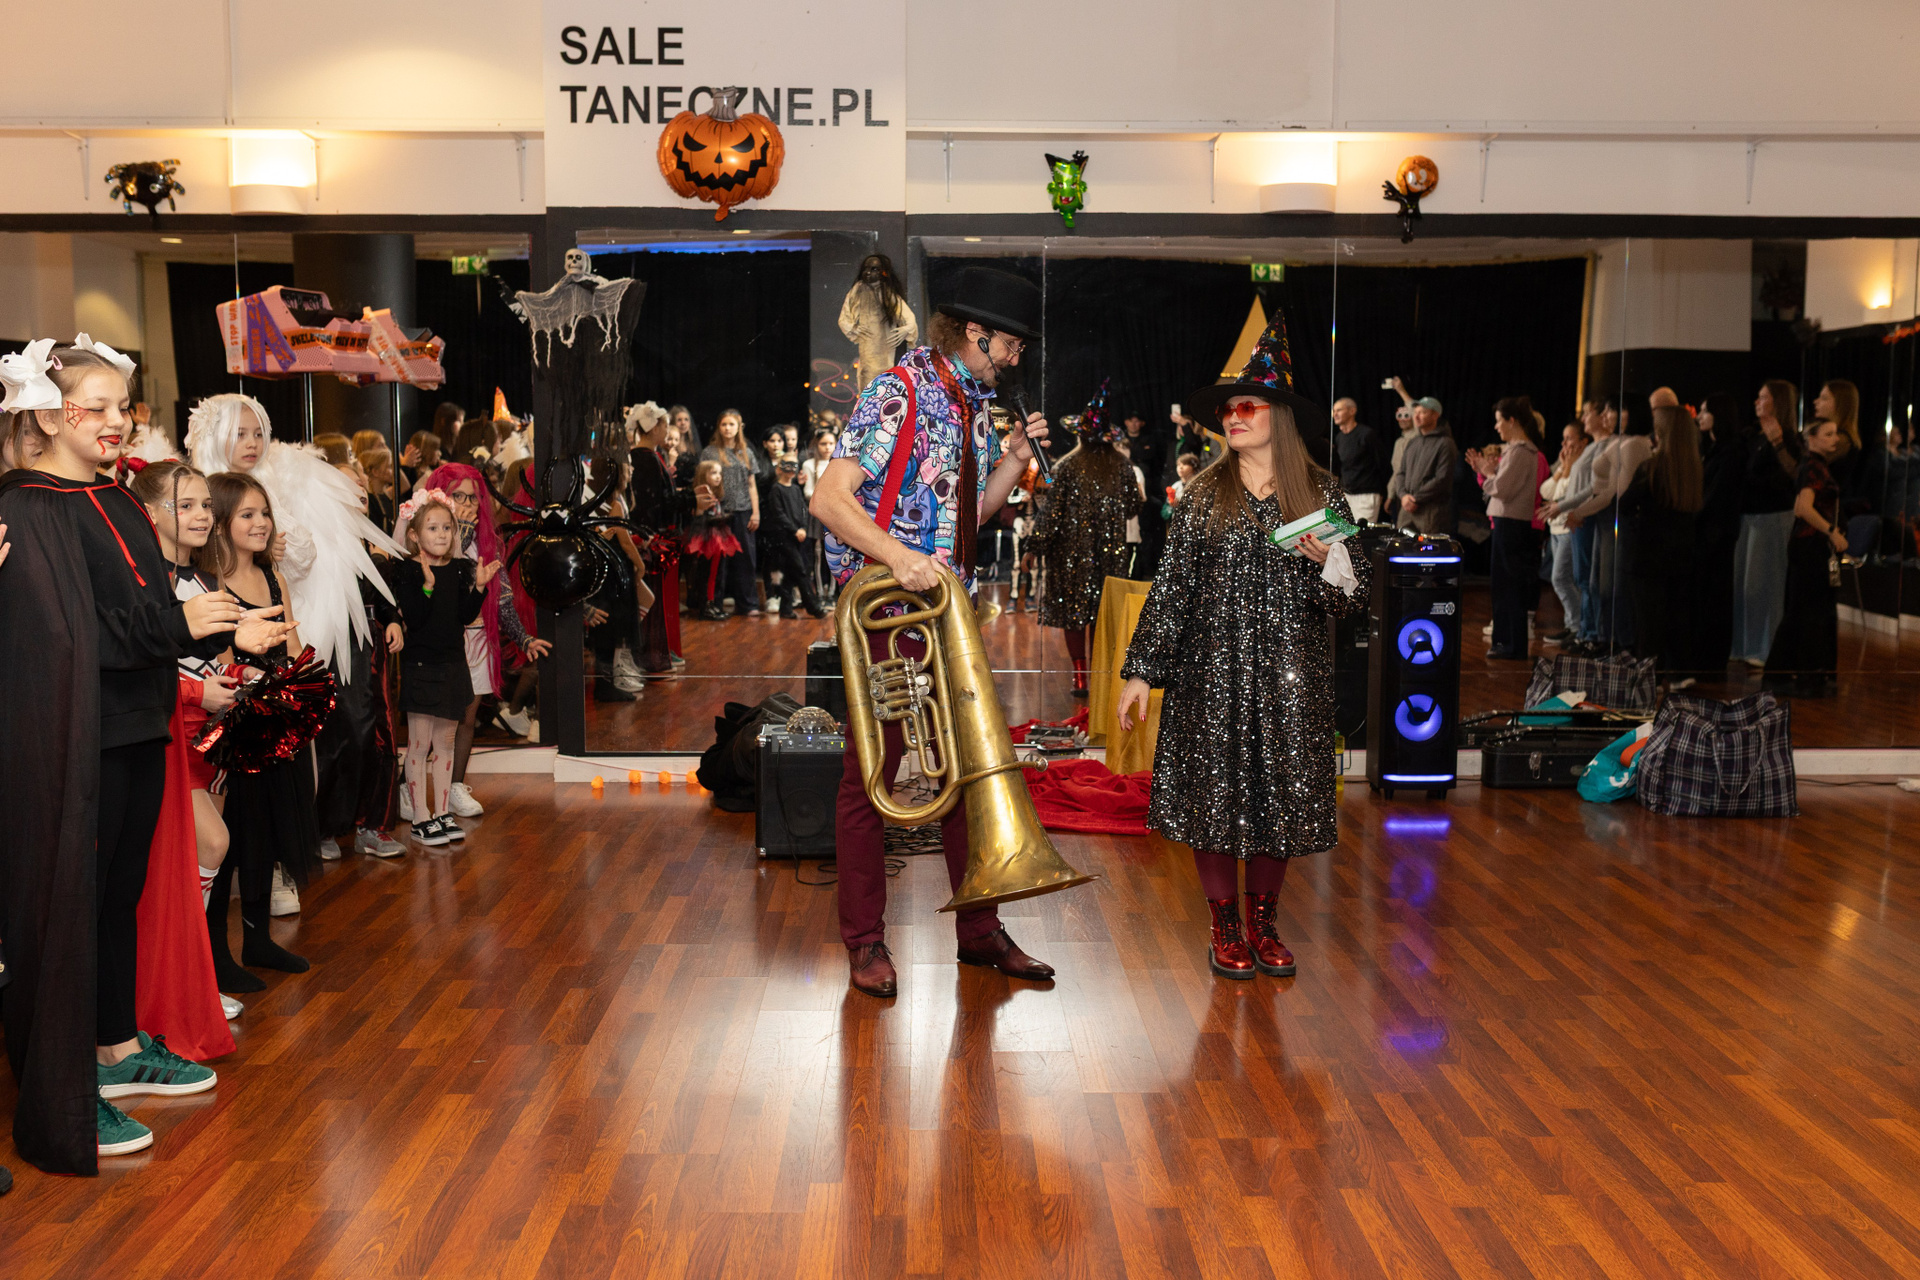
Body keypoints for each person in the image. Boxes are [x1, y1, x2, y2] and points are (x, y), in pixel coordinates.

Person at [0, 339, 290, 1173]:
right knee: (74, 907)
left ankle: (116, 1048)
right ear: (49, 414)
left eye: (121, 406)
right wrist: (181, 626)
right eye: (96, 407)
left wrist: (219, 629)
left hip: (134, 728)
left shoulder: (118, 498)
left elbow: (142, 615)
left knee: (115, 898)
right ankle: (66, 1085)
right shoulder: (32, 507)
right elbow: (67, 638)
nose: (115, 421)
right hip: (76, 739)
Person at [810, 265, 1057, 998]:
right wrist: (898, 556)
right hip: (888, 613)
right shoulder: (899, 392)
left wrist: (1013, 463)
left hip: (946, 611)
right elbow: (829, 500)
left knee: (968, 770)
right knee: (872, 776)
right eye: (1010, 346)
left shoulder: (970, 406)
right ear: (975, 335)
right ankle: (863, 940)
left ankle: (979, 930)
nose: (1014, 360)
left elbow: (963, 521)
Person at [1117, 309, 1364, 980]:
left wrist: (1328, 565)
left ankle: (1265, 923)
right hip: (1211, 675)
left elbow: (1353, 598)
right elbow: (1172, 590)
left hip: (1290, 676)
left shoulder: (1321, 492)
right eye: (1227, 410)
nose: (1232, 417)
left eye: (1246, 407)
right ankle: (1224, 927)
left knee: (1279, 798)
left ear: (1277, 416)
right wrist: (1140, 673)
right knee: (1214, 800)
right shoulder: (1202, 494)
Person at [128, 460, 248, 1031]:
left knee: (197, 863)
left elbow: (218, 660)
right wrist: (201, 691)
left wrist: (245, 675)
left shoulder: (204, 581)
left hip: (208, 737)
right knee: (208, 847)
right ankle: (175, 988)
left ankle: (190, 982)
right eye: (187, 505)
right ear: (150, 513)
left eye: (206, 505)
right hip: (167, 736)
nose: (202, 515)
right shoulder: (143, 581)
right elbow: (139, 666)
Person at [197, 471, 321, 980]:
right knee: (230, 838)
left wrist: (301, 693)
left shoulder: (274, 578)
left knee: (265, 836)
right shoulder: (211, 586)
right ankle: (216, 955)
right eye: (247, 514)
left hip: (274, 721)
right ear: (222, 522)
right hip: (234, 723)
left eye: (264, 513)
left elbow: (290, 645)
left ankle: (257, 941)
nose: (261, 523)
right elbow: (221, 659)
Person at [401, 463, 549, 818]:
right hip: (436, 643)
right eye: (459, 496)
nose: (468, 504)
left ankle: (453, 787)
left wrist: (523, 638)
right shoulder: (431, 534)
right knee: (427, 726)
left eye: (473, 497)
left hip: (478, 639)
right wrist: (460, 530)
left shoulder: (487, 540)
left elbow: (502, 597)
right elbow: (437, 577)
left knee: (464, 719)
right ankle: (411, 791)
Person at [387, 488, 497, 844]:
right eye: (433, 528)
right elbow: (415, 619)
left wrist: (478, 588)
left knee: (446, 743)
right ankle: (421, 817)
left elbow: (464, 616)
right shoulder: (408, 571)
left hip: (453, 665)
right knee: (419, 745)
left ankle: (443, 812)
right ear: (414, 534)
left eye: (447, 528)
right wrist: (427, 587)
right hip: (422, 666)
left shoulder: (460, 569)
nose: (442, 535)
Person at [1030, 380, 1139, 697]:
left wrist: (1034, 547)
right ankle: (1103, 678)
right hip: (1110, 555)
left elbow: (1051, 514)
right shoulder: (1123, 466)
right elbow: (1133, 507)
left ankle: (1080, 679)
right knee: (1104, 616)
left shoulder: (1066, 466)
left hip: (1071, 557)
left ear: (1079, 434)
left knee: (1074, 617)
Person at [1764, 416, 1848, 696]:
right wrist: (1832, 531)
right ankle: (1793, 675)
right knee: (1806, 611)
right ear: (1812, 439)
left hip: (1810, 546)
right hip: (1809, 546)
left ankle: (1794, 674)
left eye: (1835, 433)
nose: (1835, 439)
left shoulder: (1816, 465)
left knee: (1805, 610)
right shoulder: (1813, 466)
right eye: (1828, 434)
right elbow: (1803, 508)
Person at [1622, 405, 1704, 680]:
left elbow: (1625, 503)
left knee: (1648, 621)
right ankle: (1680, 673)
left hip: (1647, 554)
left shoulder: (1652, 467)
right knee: (1676, 615)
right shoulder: (1694, 468)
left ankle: (1649, 678)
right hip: (1681, 553)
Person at [1732, 380, 1803, 668]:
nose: (1757, 402)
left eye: (1763, 397)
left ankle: (1766, 649)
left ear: (1778, 402)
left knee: (1765, 585)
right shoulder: (1753, 436)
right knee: (1743, 585)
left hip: (1773, 516)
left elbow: (1791, 477)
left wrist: (1777, 444)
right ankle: (1743, 646)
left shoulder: (1789, 439)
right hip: (1749, 516)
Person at [1468, 397, 1545, 659]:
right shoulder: (1517, 450)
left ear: (1512, 421)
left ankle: (1511, 645)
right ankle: (1505, 642)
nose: (1496, 426)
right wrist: (1487, 472)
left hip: (1512, 524)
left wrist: (1486, 471)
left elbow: (1502, 489)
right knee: (1503, 584)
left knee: (1509, 585)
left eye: (1499, 421)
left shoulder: (1522, 451)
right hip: (1508, 522)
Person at [1688, 392, 1749, 676]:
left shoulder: (1732, 451)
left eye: (1705, 411)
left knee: (1715, 596)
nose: (1700, 416)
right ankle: (1702, 656)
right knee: (1704, 595)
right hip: (1707, 532)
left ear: (1719, 415)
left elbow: (1716, 497)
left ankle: (1711, 661)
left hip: (1718, 534)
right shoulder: (1713, 449)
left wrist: (1692, 516)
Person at [700, 409, 763, 616]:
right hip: (719, 512)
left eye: (731, 424)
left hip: (743, 510)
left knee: (745, 559)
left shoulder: (746, 452)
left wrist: (756, 512)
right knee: (719, 561)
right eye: (724, 424)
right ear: (719, 427)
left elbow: (752, 484)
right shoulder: (710, 452)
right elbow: (702, 481)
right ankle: (715, 603)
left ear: (738, 427)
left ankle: (748, 604)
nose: (727, 428)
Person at [838, 253, 920, 392]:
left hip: (885, 352)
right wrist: (853, 328)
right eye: (866, 268)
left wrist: (906, 329)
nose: (868, 272)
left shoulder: (887, 293)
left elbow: (908, 317)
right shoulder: (858, 290)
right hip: (867, 352)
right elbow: (844, 318)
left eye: (874, 269)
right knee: (866, 383)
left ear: (883, 272)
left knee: (884, 385)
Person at [1539, 420, 1588, 644]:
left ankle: (1577, 626)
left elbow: (1569, 496)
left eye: (1569, 439)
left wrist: (1568, 470)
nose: (1564, 444)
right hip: (1555, 529)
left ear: (1582, 442)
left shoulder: (1582, 466)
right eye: (1564, 438)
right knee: (1563, 578)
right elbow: (1546, 491)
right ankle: (1572, 625)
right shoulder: (1565, 465)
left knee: (1560, 578)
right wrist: (1562, 469)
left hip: (1569, 528)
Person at [763, 457, 826, 618]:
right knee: (800, 570)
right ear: (779, 469)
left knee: (791, 573)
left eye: (794, 465)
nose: (791, 469)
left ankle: (785, 608)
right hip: (784, 537)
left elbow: (803, 510)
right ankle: (813, 606)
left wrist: (803, 528)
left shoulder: (796, 489)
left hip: (799, 536)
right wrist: (794, 530)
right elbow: (778, 514)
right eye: (787, 465)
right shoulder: (776, 489)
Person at [1389, 395, 1456, 535]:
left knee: (1427, 547)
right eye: (1416, 412)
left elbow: (1442, 478)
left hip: (1430, 511)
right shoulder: (1413, 442)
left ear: (1435, 415)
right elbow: (1401, 473)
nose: (1417, 416)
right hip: (1406, 509)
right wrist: (1403, 496)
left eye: (1423, 412)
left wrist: (1416, 499)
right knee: (1401, 544)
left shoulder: (1445, 443)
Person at [685, 458, 741, 621]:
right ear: (704, 475)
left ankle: (711, 604)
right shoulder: (701, 494)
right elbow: (699, 516)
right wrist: (721, 518)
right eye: (713, 473)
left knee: (714, 573)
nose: (718, 477)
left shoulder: (713, 494)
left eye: (719, 473)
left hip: (715, 536)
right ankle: (706, 606)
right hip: (706, 537)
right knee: (707, 573)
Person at [1121, 409, 1168, 576]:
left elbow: (1142, 495)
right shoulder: (1120, 441)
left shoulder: (1149, 442)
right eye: (1131, 420)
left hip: (1140, 503)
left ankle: (1138, 573)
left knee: (1139, 538)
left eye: (1137, 421)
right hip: (1121, 510)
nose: (1134, 424)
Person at [1329, 396, 1389, 523]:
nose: (1335, 414)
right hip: (1347, 495)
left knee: (1361, 533)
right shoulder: (1339, 437)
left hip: (1366, 496)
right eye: (1333, 411)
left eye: (1339, 410)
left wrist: (1384, 492)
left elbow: (1383, 464)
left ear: (1352, 411)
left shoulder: (1367, 434)